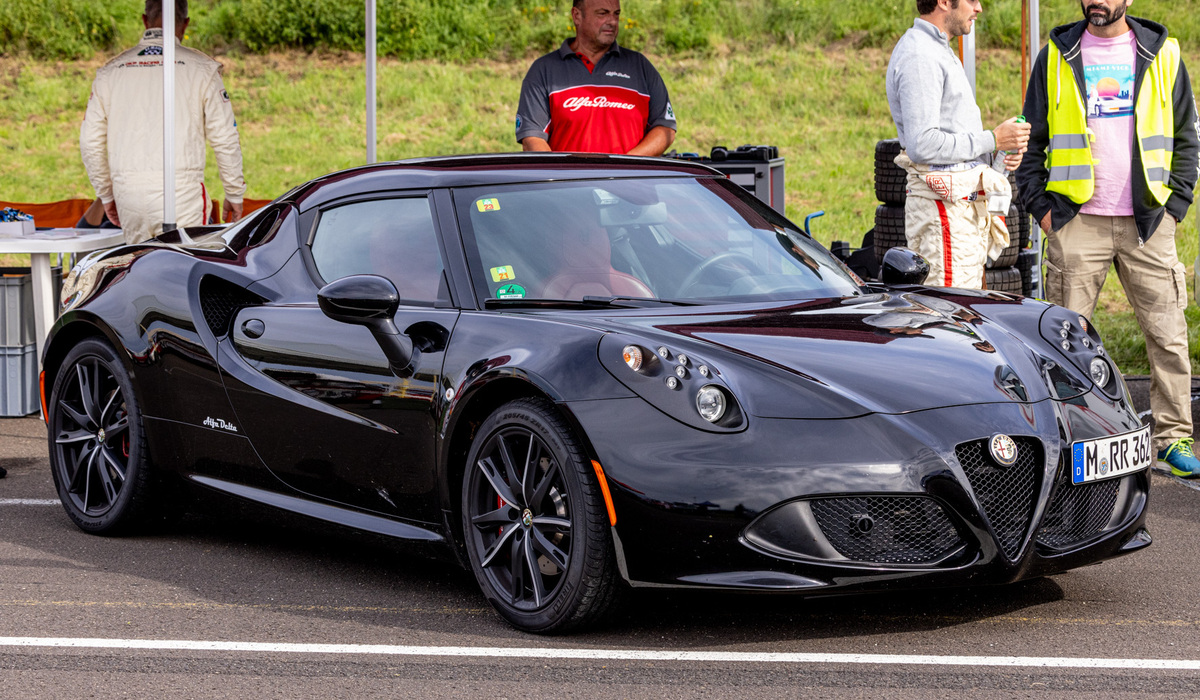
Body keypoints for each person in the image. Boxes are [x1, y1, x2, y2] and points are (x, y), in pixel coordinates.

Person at [1017, 0, 1200, 476]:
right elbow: (1031, 137)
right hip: (1077, 221)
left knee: (1169, 338)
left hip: (1148, 222)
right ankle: (1067, 441)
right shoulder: (1057, 54)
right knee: (1061, 342)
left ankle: (1174, 439)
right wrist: (1041, 208)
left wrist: (1174, 207)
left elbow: (1187, 136)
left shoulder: (1163, 54)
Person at [885, 0, 1031, 289]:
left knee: (963, 313)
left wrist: (997, 151)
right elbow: (922, 144)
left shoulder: (936, 49)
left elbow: (949, 141)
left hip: (955, 215)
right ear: (943, 2)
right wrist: (993, 138)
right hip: (945, 215)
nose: (978, 8)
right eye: (972, 0)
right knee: (950, 317)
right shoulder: (920, 55)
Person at [80, 0, 245, 244]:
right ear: (185, 24)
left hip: (128, 193)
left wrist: (106, 194)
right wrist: (234, 192)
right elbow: (224, 137)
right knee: (181, 272)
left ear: (145, 21)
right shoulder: (203, 69)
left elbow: (89, 140)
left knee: (141, 272)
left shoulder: (110, 71)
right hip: (181, 192)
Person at [515, 0, 677, 155]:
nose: (612, 21)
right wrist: (565, 177)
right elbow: (532, 139)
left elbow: (665, 128)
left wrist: (623, 168)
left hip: (629, 182)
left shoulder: (640, 66)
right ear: (577, 15)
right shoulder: (544, 69)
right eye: (602, 14)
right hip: (569, 183)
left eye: (616, 14)